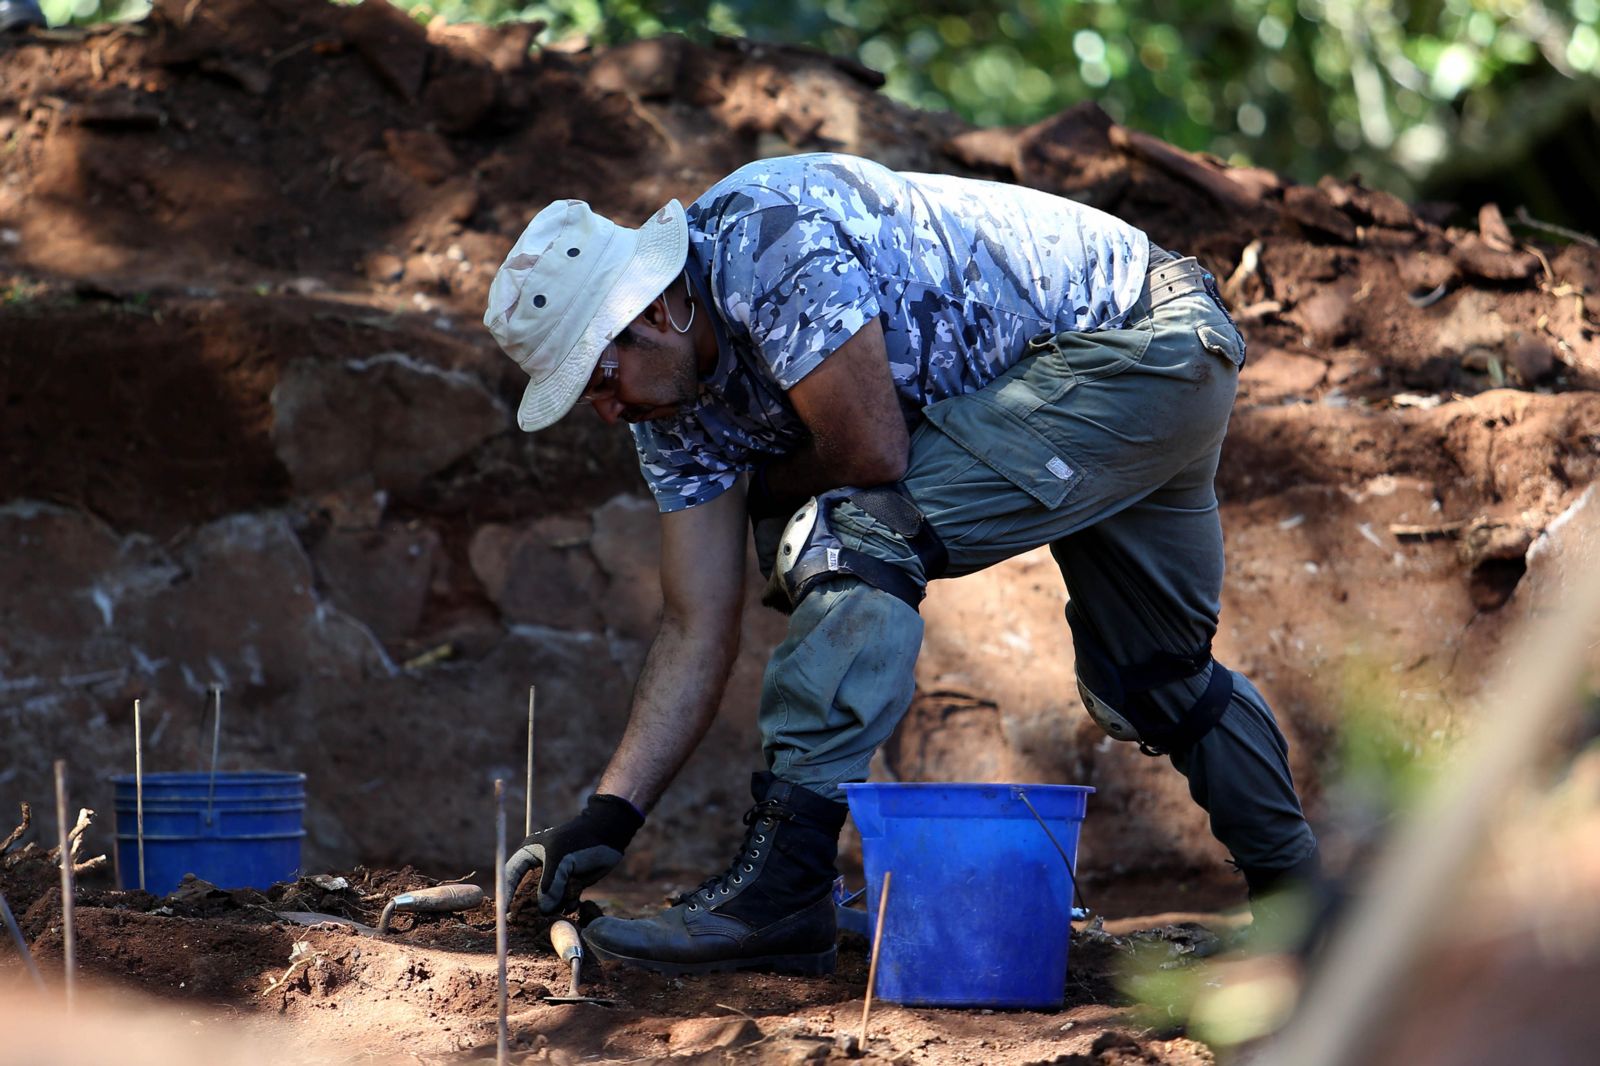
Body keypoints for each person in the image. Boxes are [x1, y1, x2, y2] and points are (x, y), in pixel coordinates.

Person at [484, 152, 1320, 976]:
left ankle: (782, 891)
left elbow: (872, 453)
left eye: (598, 375)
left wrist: (765, 493)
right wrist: (608, 816)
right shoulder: (664, 413)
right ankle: (1306, 910)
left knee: (848, 536)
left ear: (657, 309)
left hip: (1144, 342)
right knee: (1151, 676)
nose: (603, 409)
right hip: (1120, 369)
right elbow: (695, 623)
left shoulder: (765, 242)